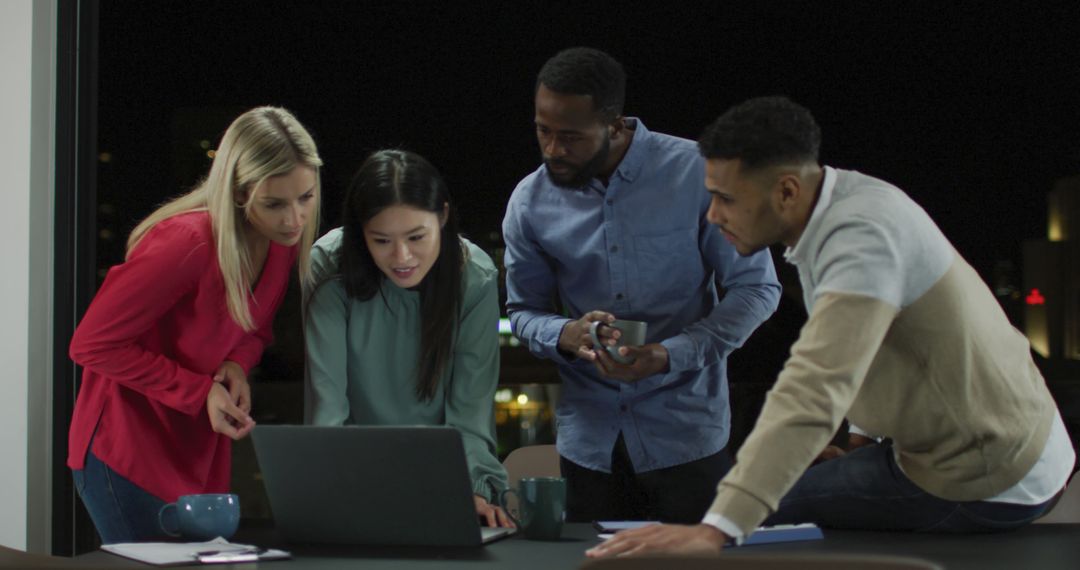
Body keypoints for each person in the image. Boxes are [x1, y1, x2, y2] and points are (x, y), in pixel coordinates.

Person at [587, 96, 1076, 558]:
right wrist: (858, 447)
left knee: (755, 514)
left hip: (987, 474)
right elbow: (878, 342)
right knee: (757, 498)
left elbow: (815, 388)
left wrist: (715, 531)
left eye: (725, 198)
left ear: (786, 190)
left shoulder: (860, 240)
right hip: (1008, 444)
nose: (713, 215)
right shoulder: (842, 206)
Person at [502, 47, 782, 524]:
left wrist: (671, 353)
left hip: (688, 438)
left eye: (570, 137)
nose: (552, 150)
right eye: (542, 131)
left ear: (613, 124)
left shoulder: (698, 174)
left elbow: (757, 289)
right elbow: (522, 311)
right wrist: (566, 335)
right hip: (588, 447)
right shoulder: (529, 201)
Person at [68, 106, 323, 543]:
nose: (294, 219)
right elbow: (90, 345)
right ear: (239, 193)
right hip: (126, 449)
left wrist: (238, 364)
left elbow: (253, 330)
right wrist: (199, 390)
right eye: (275, 203)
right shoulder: (185, 243)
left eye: (306, 197)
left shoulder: (279, 244)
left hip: (197, 450)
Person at [304, 149, 512, 528]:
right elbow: (328, 405)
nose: (402, 257)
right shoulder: (329, 264)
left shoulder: (474, 276)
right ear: (359, 233)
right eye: (381, 240)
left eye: (417, 237)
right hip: (352, 478)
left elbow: (470, 409)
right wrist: (334, 489)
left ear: (443, 217)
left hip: (443, 481)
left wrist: (473, 489)